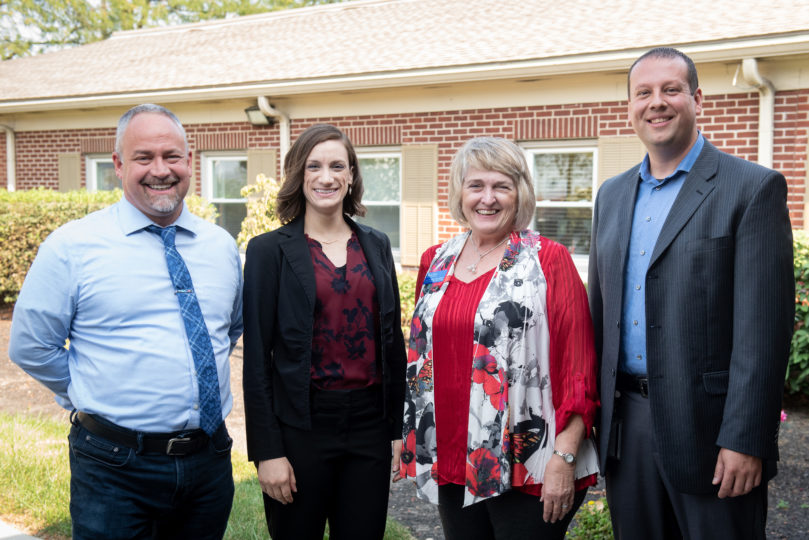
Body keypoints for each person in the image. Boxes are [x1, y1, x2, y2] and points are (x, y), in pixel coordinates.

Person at [8, 104, 243, 539]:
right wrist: (87, 389)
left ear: (190, 161)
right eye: (143, 157)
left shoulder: (221, 246)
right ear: (118, 165)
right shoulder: (72, 247)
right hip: (113, 467)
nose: (161, 170)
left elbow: (226, 331)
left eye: (172, 156)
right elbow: (31, 346)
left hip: (208, 461)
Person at [589, 47, 794, 539]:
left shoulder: (752, 188)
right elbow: (599, 313)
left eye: (671, 89)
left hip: (712, 430)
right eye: (644, 93)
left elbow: (763, 330)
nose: (656, 103)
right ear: (631, 107)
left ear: (697, 98)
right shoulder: (611, 195)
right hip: (626, 427)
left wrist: (746, 439)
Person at [398, 136, 600, 540]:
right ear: (460, 192)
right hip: (453, 457)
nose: (487, 198)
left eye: (501, 186)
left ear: (519, 193)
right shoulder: (435, 262)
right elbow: (423, 356)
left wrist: (564, 455)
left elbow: (578, 369)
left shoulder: (547, 260)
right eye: (476, 185)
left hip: (529, 462)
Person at [242, 123, 406, 540]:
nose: (326, 177)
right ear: (299, 174)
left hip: (369, 427)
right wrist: (268, 451)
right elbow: (257, 359)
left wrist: (395, 431)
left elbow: (392, 341)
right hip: (301, 431)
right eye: (314, 166)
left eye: (337, 165)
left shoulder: (377, 243)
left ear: (351, 175)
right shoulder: (268, 251)